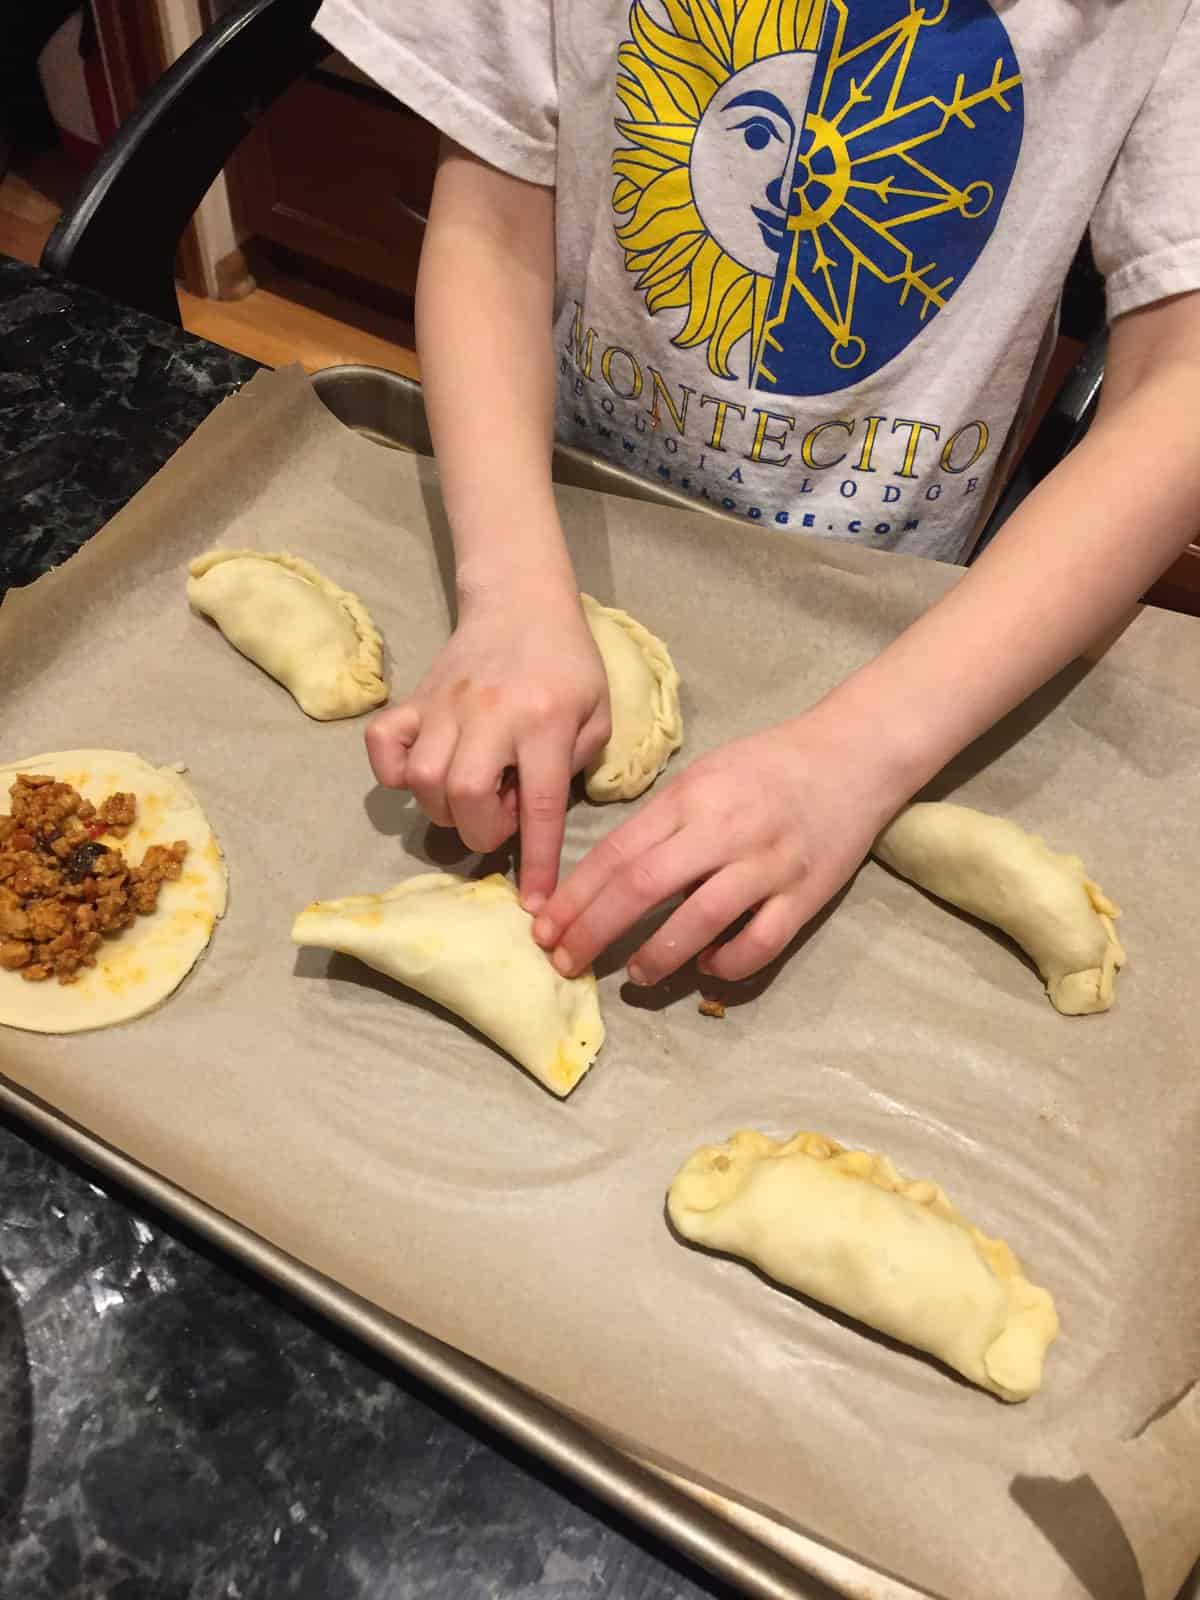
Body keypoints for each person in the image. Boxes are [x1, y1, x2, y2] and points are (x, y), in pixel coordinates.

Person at [314, 0, 1200, 989]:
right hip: (555, 515)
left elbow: (1182, 385)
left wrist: (858, 755)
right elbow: (490, 216)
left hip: (903, 636)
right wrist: (511, 588)